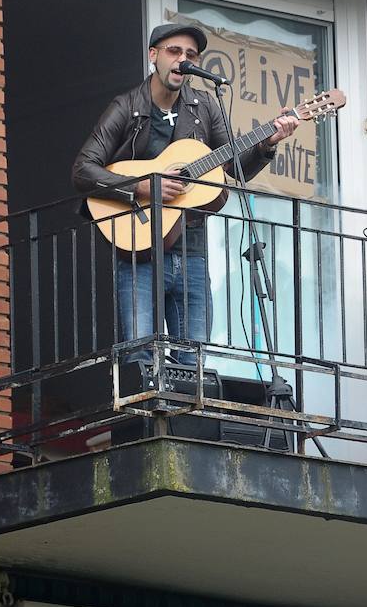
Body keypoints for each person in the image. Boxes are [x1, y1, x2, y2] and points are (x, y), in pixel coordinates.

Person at [72, 19, 299, 359]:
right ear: (154, 55)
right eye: (174, 51)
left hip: (192, 250)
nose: (182, 59)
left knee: (193, 360)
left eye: (190, 54)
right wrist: (144, 187)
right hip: (140, 251)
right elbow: (83, 170)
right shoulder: (127, 106)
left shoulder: (205, 106)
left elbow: (235, 167)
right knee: (141, 355)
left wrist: (268, 142)